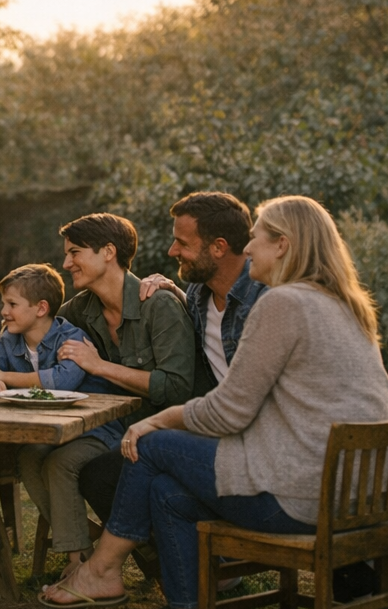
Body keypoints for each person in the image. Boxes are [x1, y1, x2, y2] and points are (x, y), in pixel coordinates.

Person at [39, 196, 388, 609]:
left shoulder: (281, 303)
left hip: (302, 494)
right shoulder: (343, 302)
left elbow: (229, 413)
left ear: (284, 245)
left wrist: (158, 418)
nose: (249, 249)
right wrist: (161, 286)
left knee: (150, 446)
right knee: (166, 492)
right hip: (359, 491)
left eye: (258, 239)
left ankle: (102, 569)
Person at [79, 192, 265, 531]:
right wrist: (174, 294)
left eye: (182, 243)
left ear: (219, 247)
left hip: (256, 439)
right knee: (104, 473)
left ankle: (106, 567)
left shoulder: (267, 299)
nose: (171, 252)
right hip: (217, 429)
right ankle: (204, 565)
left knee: (142, 450)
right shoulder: (196, 293)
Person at [0, 263, 121, 577]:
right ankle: (83, 546)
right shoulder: (10, 339)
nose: (3, 311)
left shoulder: (71, 338)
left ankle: (77, 560)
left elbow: (62, 381)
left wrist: (4, 377)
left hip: (94, 431)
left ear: (41, 308)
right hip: (52, 435)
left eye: (12, 304)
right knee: (28, 457)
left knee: (58, 464)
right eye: (4, 304)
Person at [54, 213, 198, 426]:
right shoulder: (81, 307)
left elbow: (175, 389)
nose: (66, 264)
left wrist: (99, 366)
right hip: (109, 426)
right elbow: (38, 326)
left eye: (75, 252)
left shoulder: (159, 304)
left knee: (63, 461)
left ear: (108, 252)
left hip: (164, 432)